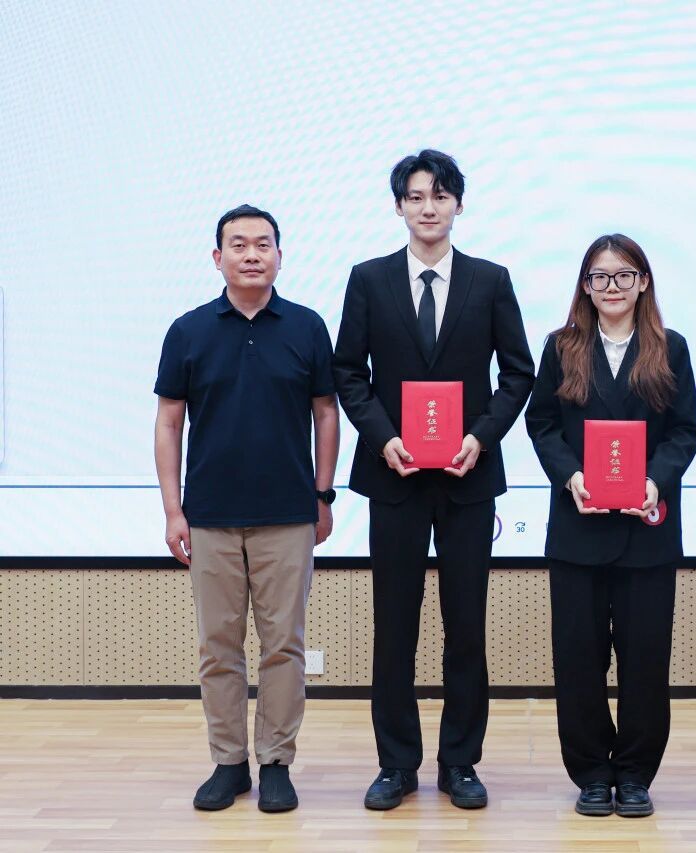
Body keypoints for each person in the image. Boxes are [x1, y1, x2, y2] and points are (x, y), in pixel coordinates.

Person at [333, 149, 535, 811]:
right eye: (416, 196)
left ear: (458, 205)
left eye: (440, 196)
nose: (428, 207)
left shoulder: (490, 280)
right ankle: (396, 764)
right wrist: (383, 436)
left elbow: (518, 373)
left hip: (466, 478)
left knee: (466, 626)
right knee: (395, 626)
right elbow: (349, 373)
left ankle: (459, 762)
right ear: (399, 206)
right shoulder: (368, 279)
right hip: (393, 476)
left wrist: (481, 436)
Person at [154, 204, 340, 813]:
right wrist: (173, 510)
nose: (252, 254)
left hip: (288, 513)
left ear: (280, 256)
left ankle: (276, 762)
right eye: (239, 245)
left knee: (284, 645)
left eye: (264, 244)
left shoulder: (307, 327)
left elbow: (326, 415)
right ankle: (229, 762)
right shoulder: (188, 330)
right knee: (218, 646)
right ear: (218, 258)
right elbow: (169, 422)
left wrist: (323, 494)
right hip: (209, 515)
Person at [525, 234, 696, 818]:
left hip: (647, 531)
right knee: (578, 659)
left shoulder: (670, 348)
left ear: (643, 282)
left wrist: (655, 480)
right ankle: (592, 775)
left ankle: (634, 775)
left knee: (645, 659)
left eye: (624, 276)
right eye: (599, 277)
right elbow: (542, 424)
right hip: (578, 529)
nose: (612, 287)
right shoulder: (562, 347)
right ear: (585, 285)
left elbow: (686, 430)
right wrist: (571, 476)